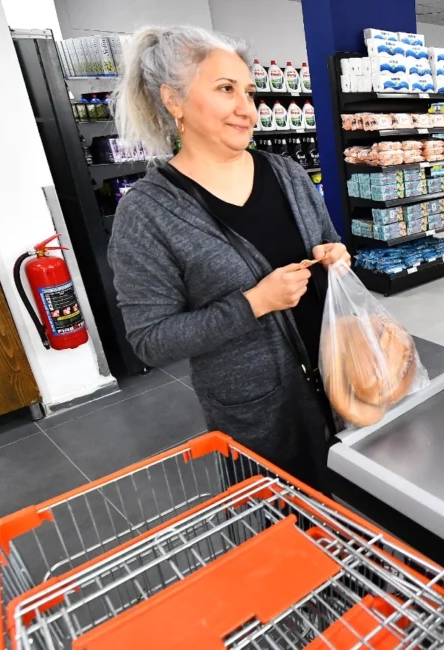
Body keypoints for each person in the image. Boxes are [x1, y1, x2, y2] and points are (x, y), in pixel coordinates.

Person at [107, 26, 348, 489]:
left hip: (340, 378)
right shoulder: (148, 213)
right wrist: (255, 302)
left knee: (364, 514)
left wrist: (334, 256)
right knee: (285, 534)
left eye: (249, 91)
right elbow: (151, 340)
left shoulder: (286, 172)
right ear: (173, 101)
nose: (247, 109)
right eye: (225, 89)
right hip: (259, 412)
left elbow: (329, 242)